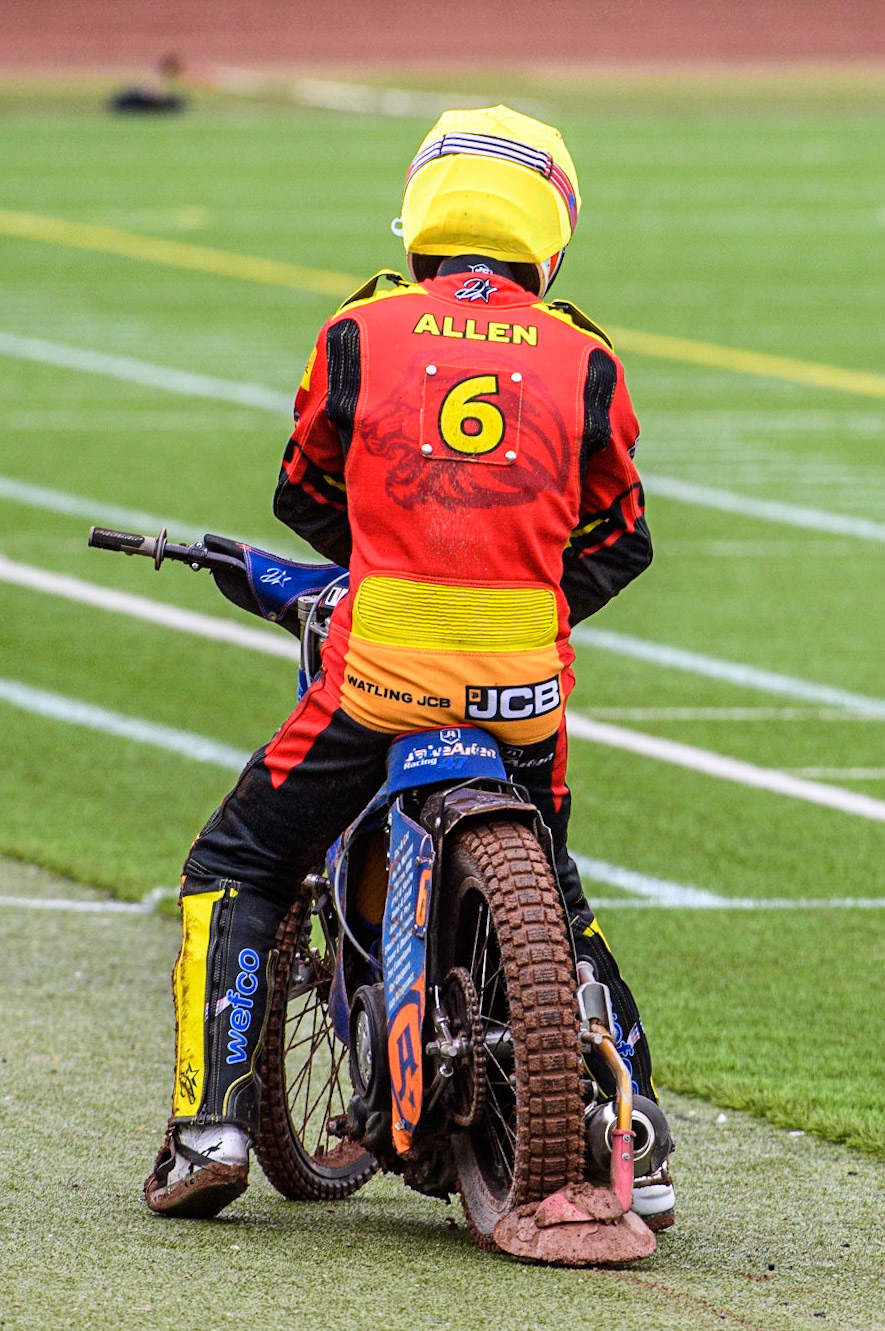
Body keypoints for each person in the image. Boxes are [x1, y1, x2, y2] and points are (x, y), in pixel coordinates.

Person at [144, 104, 674, 1229]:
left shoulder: (359, 332)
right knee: (565, 904)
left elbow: (301, 489)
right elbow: (621, 536)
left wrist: (395, 558)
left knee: (235, 859)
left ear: (425, 214)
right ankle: (642, 1136)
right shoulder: (586, 356)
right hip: (526, 693)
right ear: (549, 229)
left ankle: (212, 1129)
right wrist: (527, 596)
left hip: (378, 676)